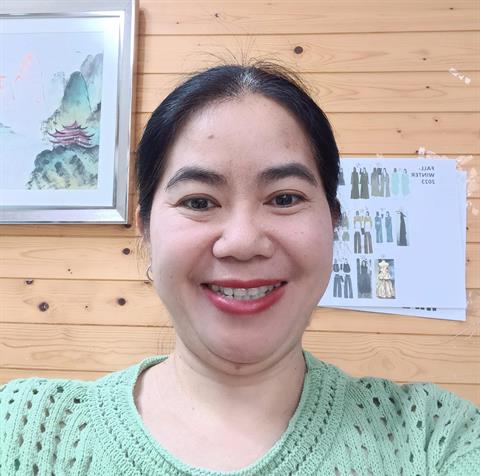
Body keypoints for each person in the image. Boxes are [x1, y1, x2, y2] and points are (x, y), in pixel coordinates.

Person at [1, 63, 479, 475]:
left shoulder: (433, 438)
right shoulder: (26, 429)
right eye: (199, 201)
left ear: (333, 222)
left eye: (285, 198)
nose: (243, 242)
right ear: (146, 230)